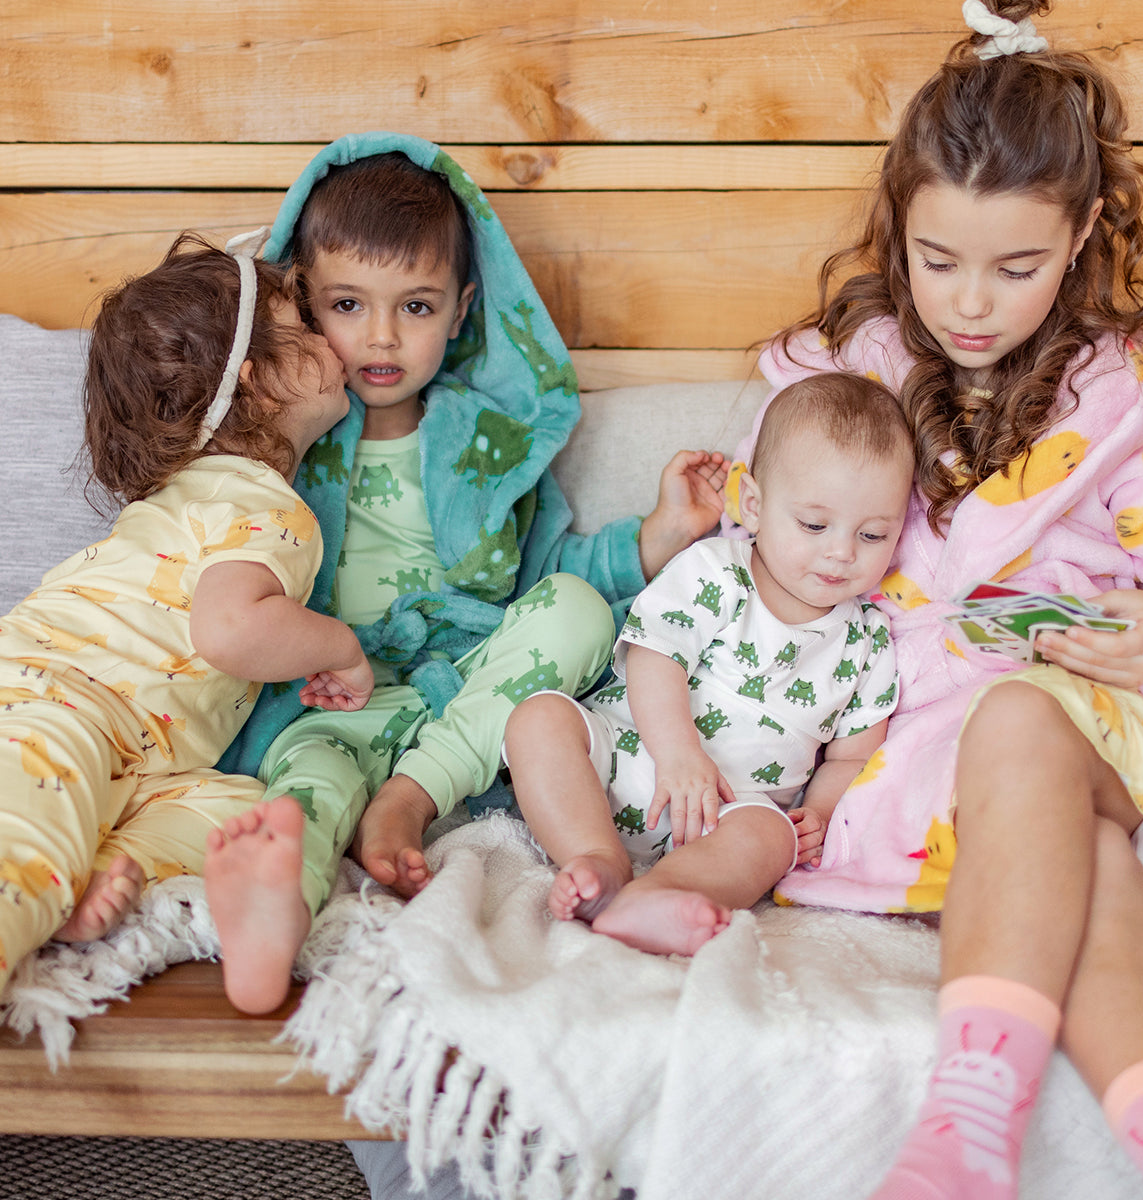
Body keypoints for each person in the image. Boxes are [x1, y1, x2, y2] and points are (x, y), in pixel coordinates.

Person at [721, 3, 1143, 1197]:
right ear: (898, 226)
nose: (970, 303)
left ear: (1085, 231)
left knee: (1026, 720)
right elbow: (753, 565)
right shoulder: (845, 379)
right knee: (1085, 870)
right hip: (920, 744)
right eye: (938, 262)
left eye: (1018, 267)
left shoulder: (1128, 405)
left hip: (1104, 723)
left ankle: (961, 1137)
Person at [215, 133, 729, 907]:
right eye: (349, 305)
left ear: (461, 312)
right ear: (302, 303)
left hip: (470, 688)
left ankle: (413, 795)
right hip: (330, 696)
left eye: (415, 306)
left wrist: (660, 532)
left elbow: (546, 576)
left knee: (577, 611)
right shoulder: (290, 438)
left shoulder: (491, 443)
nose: (382, 337)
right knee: (306, 780)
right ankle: (275, 889)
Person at [0, 230, 377, 1014]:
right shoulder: (267, 503)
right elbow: (231, 631)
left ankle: (100, 871)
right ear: (258, 379)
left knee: (240, 814)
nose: (329, 333)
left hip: (140, 753)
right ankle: (30, 888)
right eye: (306, 325)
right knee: (28, 819)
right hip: (56, 697)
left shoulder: (194, 495)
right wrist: (341, 646)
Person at [503, 373, 912, 957]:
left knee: (772, 838)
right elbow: (653, 655)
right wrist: (677, 754)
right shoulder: (718, 570)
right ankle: (596, 858)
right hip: (632, 755)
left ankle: (664, 893)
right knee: (539, 719)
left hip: (730, 814)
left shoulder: (868, 639)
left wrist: (819, 810)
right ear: (754, 504)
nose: (841, 552)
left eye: (873, 534)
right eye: (815, 525)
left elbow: (854, 752)